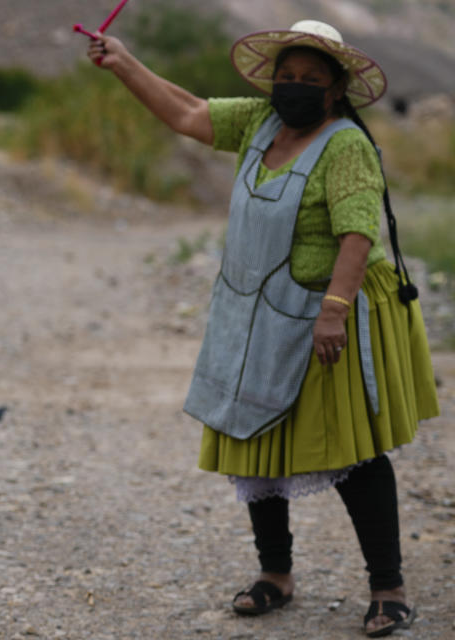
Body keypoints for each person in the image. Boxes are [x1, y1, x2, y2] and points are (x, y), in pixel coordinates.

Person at [88, 20, 438, 638]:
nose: (295, 88)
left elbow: (359, 232)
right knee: (256, 437)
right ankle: (276, 576)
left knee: (352, 450)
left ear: (335, 92)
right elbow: (189, 112)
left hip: (331, 310)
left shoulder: (345, 144)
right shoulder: (259, 122)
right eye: (287, 77)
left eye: (310, 80)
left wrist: (334, 307)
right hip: (256, 310)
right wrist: (123, 63)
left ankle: (389, 586)